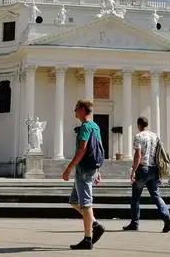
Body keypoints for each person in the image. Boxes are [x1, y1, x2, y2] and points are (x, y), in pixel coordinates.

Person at [62, 99, 105, 250]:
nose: (74, 111)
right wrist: (98, 170)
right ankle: (95, 224)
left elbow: (82, 150)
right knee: (74, 201)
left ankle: (88, 238)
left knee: (86, 203)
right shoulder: (96, 126)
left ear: (81, 109)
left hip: (83, 169)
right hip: (88, 169)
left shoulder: (86, 127)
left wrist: (68, 168)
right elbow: (99, 147)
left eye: (75, 108)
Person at [123, 116, 170, 232]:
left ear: (138, 125)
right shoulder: (155, 136)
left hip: (142, 169)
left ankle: (134, 223)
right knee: (156, 195)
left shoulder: (138, 136)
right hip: (154, 169)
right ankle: (167, 218)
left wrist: (133, 170)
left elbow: (138, 155)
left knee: (135, 197)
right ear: (147, 124)